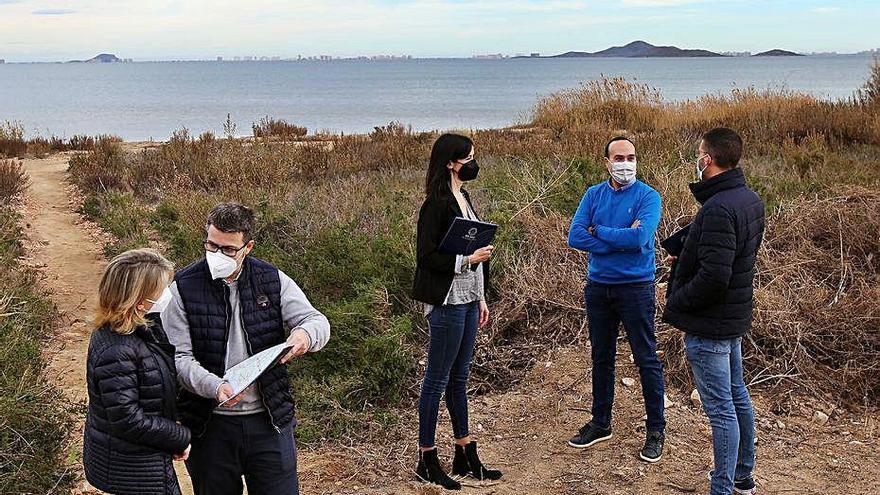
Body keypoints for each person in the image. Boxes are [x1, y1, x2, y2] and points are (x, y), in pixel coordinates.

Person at [162, 202, 330, 495]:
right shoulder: (182, 288)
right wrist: (215, 387)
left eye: (228, 249)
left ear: (248, 247)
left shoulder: (272, 280)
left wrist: (303, 336)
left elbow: (316, 320)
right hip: (209, 426)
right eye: (211, 245)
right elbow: (178, 358)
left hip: (269, 422)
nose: (216, 255)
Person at [663, 128, 764, 495]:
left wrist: (677, 299)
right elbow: (729, 258)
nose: (697, 159)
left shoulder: (720, 208)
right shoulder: (748, 199)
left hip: (711, 324)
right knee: (737, 397)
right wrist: (686, 255)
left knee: (722, 409)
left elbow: (715, 277)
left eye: (699, 153)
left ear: (710, 159)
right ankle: (742, 476)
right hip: (732, 317)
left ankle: (723, 486)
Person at [567, 136, 666, 462]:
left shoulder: (648, 196)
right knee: (602, 356)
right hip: (599, 287)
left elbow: (640, 237)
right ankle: (601, 423)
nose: (626, 163)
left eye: (631, 157)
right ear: (607, 162)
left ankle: (655, 429)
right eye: (619, 157)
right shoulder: (594, 194)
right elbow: (575, 235)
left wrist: (600, 232)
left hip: (636, 287)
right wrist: (619, 238)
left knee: (646, 357)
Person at [411, 133, 502, 490]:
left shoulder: (463, 197)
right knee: (436, 380)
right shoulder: (434, 204)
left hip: (467, 299)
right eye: (469, 158)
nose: (473, 163)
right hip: (446, 301)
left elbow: (475, 248)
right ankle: (426, 457)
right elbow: (426, 257)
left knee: (460, 379)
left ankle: (464, 452)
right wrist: (468, 259)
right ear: (451, 162)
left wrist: (481, 296)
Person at [83, 248, 191, 495]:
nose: (167, 295)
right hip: (135, 472)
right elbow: (127, 419)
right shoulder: (118, 350)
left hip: (141, 462)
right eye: (162, 290)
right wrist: (178, 436)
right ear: (140, 301)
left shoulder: (137, 330)